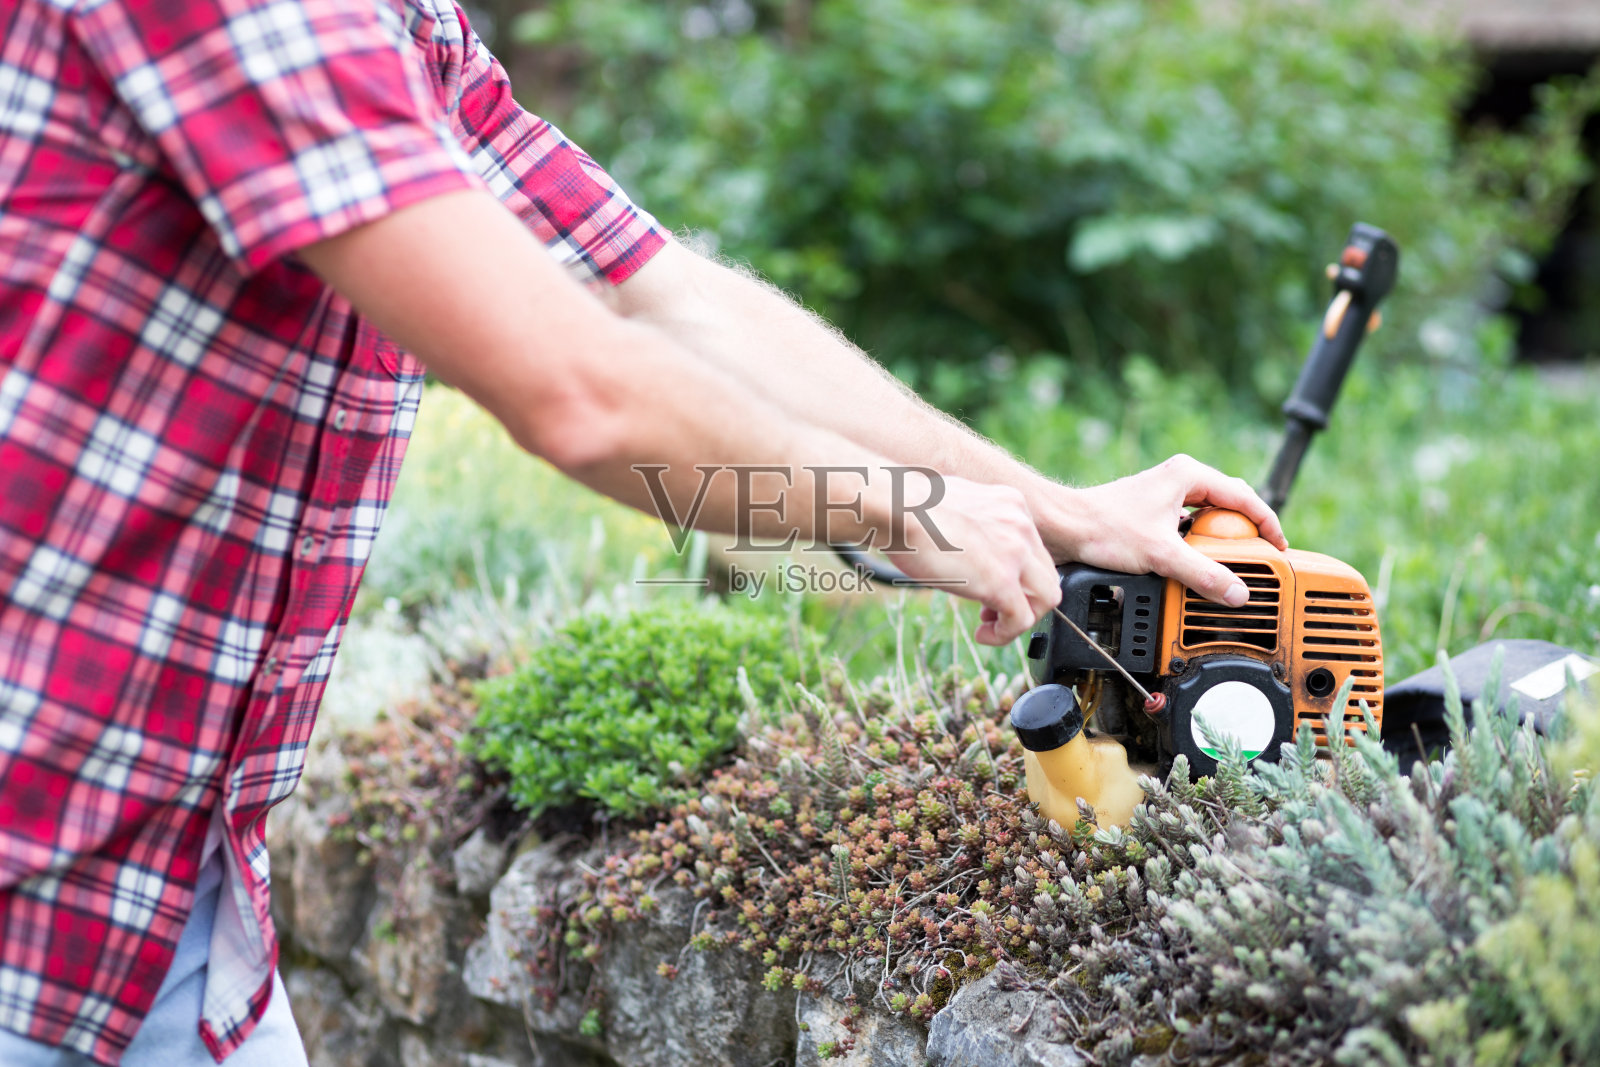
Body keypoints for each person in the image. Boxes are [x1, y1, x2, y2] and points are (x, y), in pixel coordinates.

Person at [0, 0, 1285, 1061]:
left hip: (167, 917)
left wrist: (1059, 507)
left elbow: (660, 297)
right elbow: (579, 391)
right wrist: (895, 508)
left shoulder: (403, 29)